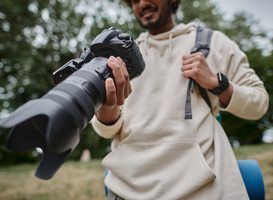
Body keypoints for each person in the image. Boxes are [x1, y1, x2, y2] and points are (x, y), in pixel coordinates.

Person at [91, 0, 269, 199]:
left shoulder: (214, 42)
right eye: (134, 0)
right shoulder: (118, 58)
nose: (142, 4)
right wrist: (107, 108)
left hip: (201, 189)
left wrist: (216, 82)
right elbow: (105, 130)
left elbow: (259, 103)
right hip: (126, 190)